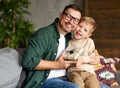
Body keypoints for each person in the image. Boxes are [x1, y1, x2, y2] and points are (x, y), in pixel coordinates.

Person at [21, 4, 110, 88]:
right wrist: (56, 65)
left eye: (75, 20)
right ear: (60, 15)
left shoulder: (70, 37)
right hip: (46, 80)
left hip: (68, 78)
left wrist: (95, 56)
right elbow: (27, 61)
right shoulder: (43, 34)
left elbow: (83, 49)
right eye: (68, 16)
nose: (71, 22)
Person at [63, 17, 100, 88]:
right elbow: (65, 55)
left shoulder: (89, 42)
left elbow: (92, 57)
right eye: (80, 26)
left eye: (85, 30)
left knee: (94, 85)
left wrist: (82, 59)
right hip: (74, 71)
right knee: (77, 84)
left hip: (89, 71)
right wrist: (76, 58)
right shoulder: (68, 41)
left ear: (88, 35)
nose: (80, 30)